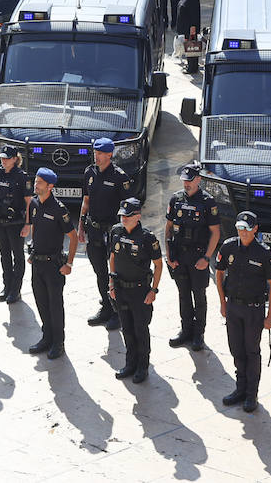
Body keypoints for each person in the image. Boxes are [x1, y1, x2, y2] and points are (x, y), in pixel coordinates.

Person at [215, 211, 271, 411]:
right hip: (234, 306)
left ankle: (252, 394)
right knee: (236, 349)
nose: (243, 232)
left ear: (255, 229)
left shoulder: (265, 254)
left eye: (247, 228)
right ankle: (240, 389)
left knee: (252, 351)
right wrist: (223, 303)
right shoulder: (228, 247)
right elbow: (219, 273)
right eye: (240, 228)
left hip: (254, 309)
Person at [164, 162, 222, 351]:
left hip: (198, 256)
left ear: (198, 180)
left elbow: (215, 232)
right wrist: (169, 253)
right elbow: (168, 229)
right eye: (184, 181)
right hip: (180, 255)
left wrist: (207, 257)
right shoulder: (176, 199)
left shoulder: (207, 201)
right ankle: (185, 330)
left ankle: (199, 333)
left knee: (199, 295)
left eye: (190, 180)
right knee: (183, 294)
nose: (186, 184)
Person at [80, 137, 132, 331]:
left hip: (112, 232)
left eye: (101, 154)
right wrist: (81, 226)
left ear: (110, 155)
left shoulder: (120, 177)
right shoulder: (89, 173)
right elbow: (86, 200)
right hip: (94, 230)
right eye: (95, 153)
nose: (97, 156)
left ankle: (118, 312)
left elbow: (129, 209)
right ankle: (106, 306)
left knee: (114, 273)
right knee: (99, 271)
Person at [109, 197, 164, 383]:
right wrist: (111, 283)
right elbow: (112, 258)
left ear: (138, 216)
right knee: (127, 328)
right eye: (122, 216)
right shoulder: (116, 231)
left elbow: (158, 265)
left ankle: (142, 366)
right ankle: (129, 363)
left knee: (140, 329)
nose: (124, 219)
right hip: (121, 289)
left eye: (128, 216)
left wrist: (154, 290)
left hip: (140, 291)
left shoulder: (148, 238)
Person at [27, 168, 78, 358]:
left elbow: (73, 237)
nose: (35, 184)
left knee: (55, 305)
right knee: (41, 302)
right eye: (36, 180)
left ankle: (58, 342)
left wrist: (69, 264)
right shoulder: (33, 203)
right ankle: (46, 337)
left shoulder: (59, 209)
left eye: (39, 182)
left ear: (50, 186)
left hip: (54, 265)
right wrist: (33, 251)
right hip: (37, 263)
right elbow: (35, 229)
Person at [0, 145, 33, 304]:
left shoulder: (22, 177)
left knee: (18, 256)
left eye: (7, 158)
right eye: (2, 158)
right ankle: (6, 286)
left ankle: (15, 289)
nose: (3, 161)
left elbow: (29, 203)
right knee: (4, 255)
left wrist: (28, 224)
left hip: (15, 223)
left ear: (15, 159)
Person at [175, 0, 202, 74]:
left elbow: (194, 14)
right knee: (188, 47)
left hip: (190, 28)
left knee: (192, 47)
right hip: (184, 27)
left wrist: (193, 28)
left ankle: (192, 68)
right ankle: (190, 65)